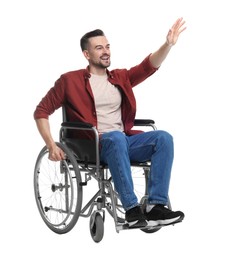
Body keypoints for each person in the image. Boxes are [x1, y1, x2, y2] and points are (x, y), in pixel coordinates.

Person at [34, 17, 186, 229]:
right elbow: (41, 111)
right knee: (115, 138)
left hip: (122, 142)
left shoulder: (120, 77)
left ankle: (156, 206)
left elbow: (147, 67)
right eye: (98, 48)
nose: (105, 51)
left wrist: (168, 45)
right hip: (93, 146)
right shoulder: (69, 81)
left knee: (163, 138)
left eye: (107, 46)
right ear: (87, 54)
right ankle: (132, 209)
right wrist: (51, 144)